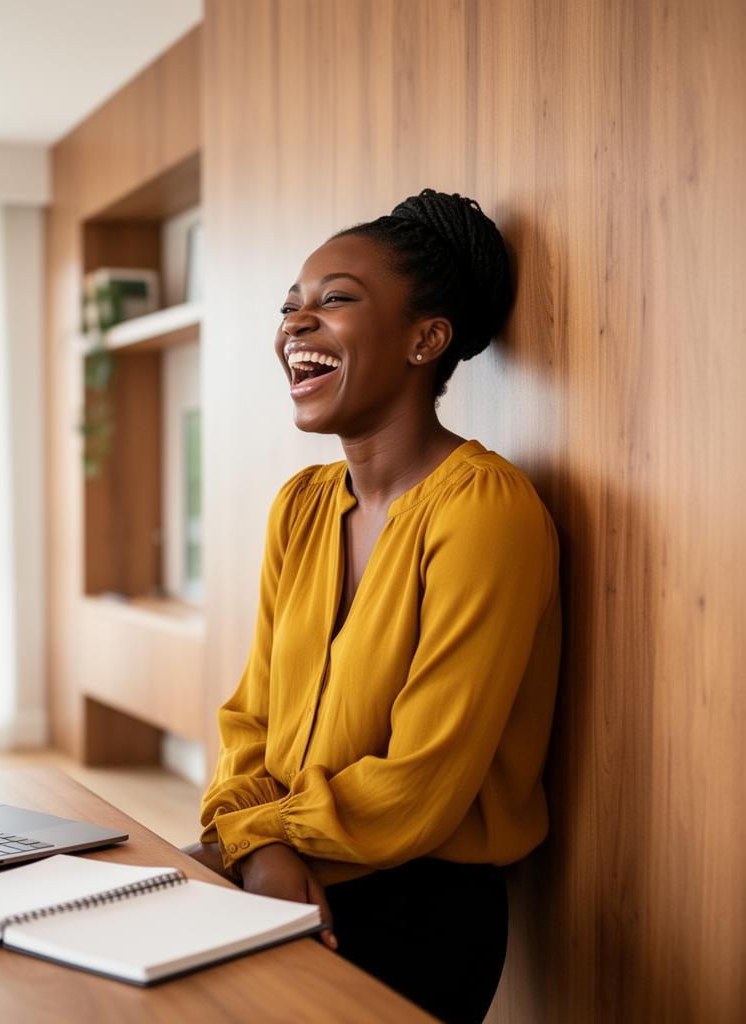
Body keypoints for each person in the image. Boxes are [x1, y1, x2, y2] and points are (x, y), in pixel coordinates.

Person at [186, 189, 561, 1024]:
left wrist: (260, 841)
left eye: (334, 301)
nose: (296, 325)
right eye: (290, 307)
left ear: (426, 340)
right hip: (278, 867)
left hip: (418, 907)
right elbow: (251, 718)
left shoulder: (485, 509)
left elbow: (423, 782)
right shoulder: (303, 504)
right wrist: (255, 840)